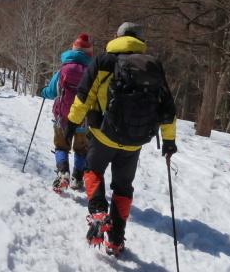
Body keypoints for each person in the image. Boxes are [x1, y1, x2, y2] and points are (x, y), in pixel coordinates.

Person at [65, 22, 177, 257]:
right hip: (135, 140)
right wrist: (169, 141)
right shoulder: (153, 66)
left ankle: (97, 212)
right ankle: (116, 240)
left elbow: (84, 97)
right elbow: (167, 107)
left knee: (93, 170)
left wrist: (71, 125)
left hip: (103, 135)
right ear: (140, 40)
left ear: (116, 36)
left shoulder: (103, 61)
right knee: (123, 187)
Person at [41, 33, 93, 193]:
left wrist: (42, 92)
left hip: (61, 118)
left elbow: (51, 92)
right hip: (83, 121)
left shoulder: (63, 71)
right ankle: (77, 178)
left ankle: (63, 173)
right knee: (81, 150)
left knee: (61, 147)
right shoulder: (92, 73)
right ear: (89, 54)